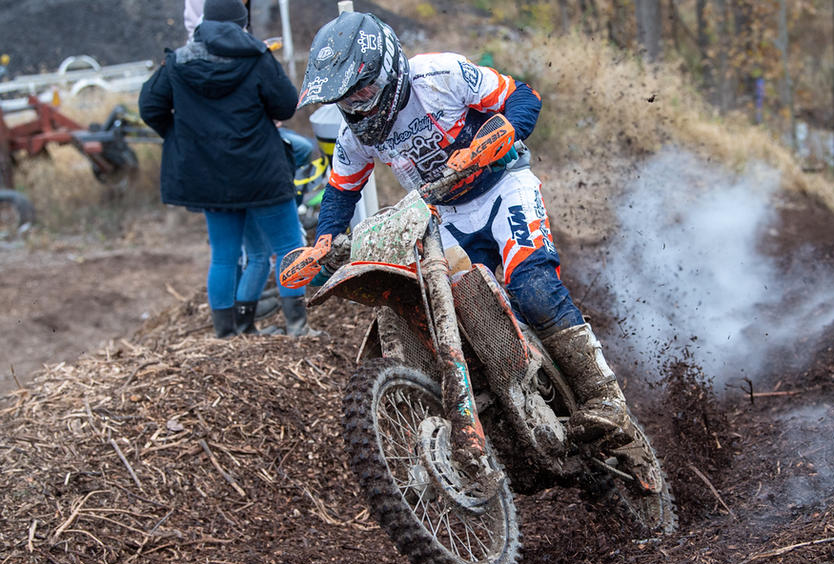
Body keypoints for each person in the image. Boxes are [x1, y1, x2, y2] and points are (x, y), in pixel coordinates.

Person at [285, 11, 633, 443]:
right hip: (444, 215)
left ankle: (606, 399)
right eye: (348, 100)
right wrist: (323, 241)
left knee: (533, 288)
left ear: (389, 67)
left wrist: (498, 133)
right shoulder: (356, 134)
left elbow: (523, 96)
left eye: (365, 91)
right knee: (466, 314)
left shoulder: (440, 74)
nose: (359, 106)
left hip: (503, 188)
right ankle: (512, 408)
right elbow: (341, 188)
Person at [140, 0, 312, 337]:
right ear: (242, 22)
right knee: (288, 246)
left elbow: (149, 106)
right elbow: (287, 104)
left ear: (205, 22)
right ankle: (297, 327)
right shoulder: (257, 57)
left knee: (223, 255)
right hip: (261, 170)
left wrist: (181, 137)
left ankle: (227, 333)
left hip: (210, 178)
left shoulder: (178, 62)